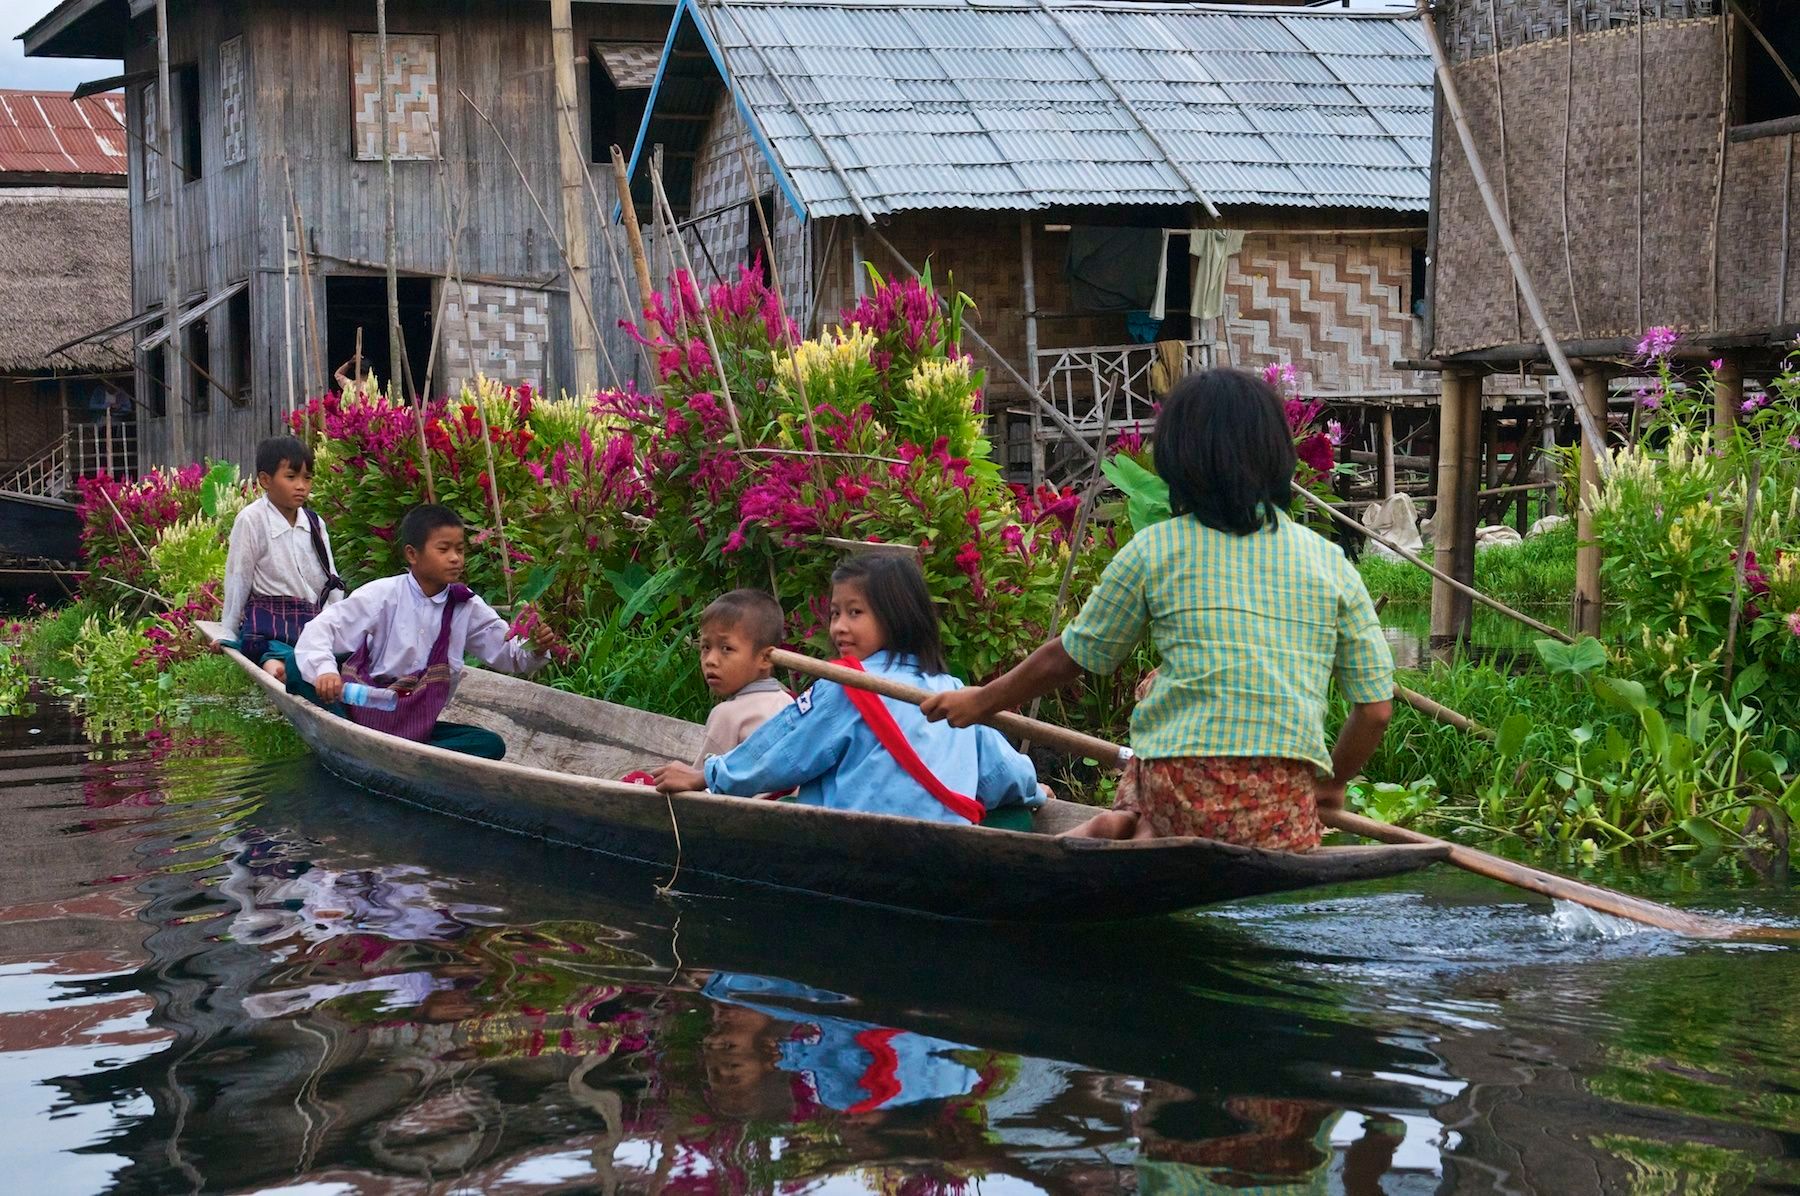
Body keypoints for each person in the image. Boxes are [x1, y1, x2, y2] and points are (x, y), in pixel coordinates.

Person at [921, 368, 1394, 851]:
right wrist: (1332, 787)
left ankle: (1131, 821)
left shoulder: (1155, 549)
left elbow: (1072, 656)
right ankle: (1135, 824)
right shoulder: (1331, 562)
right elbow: (1375, 711)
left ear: (1177, 461)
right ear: (1278, 455)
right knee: (1162, 688)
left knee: (1154, 689)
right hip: (1280, 813)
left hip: (1178, 793)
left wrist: (980, 702)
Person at [651, 555, 1043, 827]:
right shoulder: (954, 691)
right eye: (836, 612)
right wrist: (1035, 791)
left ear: (896, 616)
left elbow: (782, 751)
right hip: (949, 841)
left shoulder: (846, 687)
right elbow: (1000, 771)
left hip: (857, 842)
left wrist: (708, 776)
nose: (838, 627)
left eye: (855, 613)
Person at [292, 504, 543, 759]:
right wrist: (325, 672)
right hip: (364, 708)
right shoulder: (383, 595)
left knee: (490, 745)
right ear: (413, 554)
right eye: (444, 549)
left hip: (416, 724)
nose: (455, 558)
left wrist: (536, 646)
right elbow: (321, 629)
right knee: (295, 665)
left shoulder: (465, 605)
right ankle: (355, 738)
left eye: (460, 549)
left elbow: (507, 652)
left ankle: (404, 754)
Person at [221, 435, 347, 682]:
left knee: (340, 656)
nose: (301, 486)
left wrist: (336, 620)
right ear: (266, 480)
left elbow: (330, 578)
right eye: (291, 477)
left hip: (309, 619)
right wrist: (229, 629)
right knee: (272, 652)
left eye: (307, 478)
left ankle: (288, 667)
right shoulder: (252, 520)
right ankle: (275, 668)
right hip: (270, 619)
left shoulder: (314, 523)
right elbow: (239, 576)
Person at [693, 589, 794, 761]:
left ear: (764, 658)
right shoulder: (788, 702)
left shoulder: (726, 714)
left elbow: (699, 780)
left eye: (726, 649)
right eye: (706, 647)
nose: (710, 660)